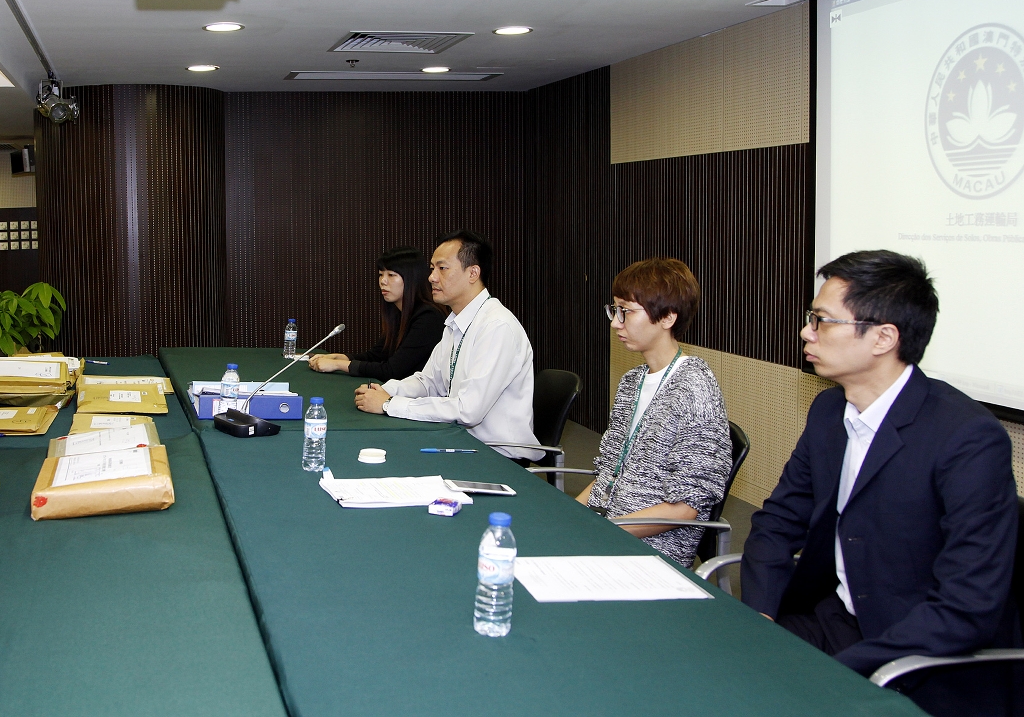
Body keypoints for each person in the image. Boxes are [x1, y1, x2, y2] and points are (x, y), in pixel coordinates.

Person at [741, 250, 1019, 716]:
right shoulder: (830, 411)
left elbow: (967, 607)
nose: (807, 332)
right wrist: (761, 616)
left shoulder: (967, 438)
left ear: (883, 338)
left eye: (822, 320)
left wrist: (846, 667)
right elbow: (778, 521)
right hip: (833, 621)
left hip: (924, 657)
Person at [575, 258, 730, 568]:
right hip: (604, 530)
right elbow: (608, 471)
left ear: (668, 317)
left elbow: (685, 508)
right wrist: (570, 517)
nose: (615, 322)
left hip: (650, 553)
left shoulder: (695, 389)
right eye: (614, 310)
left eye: (626, 312)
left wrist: (600, 530)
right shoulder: (632, 382)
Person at [354, 230, 541, 461]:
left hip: (496, 455)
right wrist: (387, 391)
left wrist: (390, 405)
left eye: (442, 268)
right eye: (432, 268)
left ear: (473, 273)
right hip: (461, 441)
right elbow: (428, 381)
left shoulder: (497, 327)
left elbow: (467, 410)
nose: (431, 277)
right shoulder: (456, 322)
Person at [309, 246, 445, 382]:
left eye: (391, 275)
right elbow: (377, 355)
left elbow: (392, 370)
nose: (383, 281)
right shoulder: (399, 312)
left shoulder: (429, 318)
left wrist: (338, 365)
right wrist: (340, 357)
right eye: (381, 274)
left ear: (412, 279)